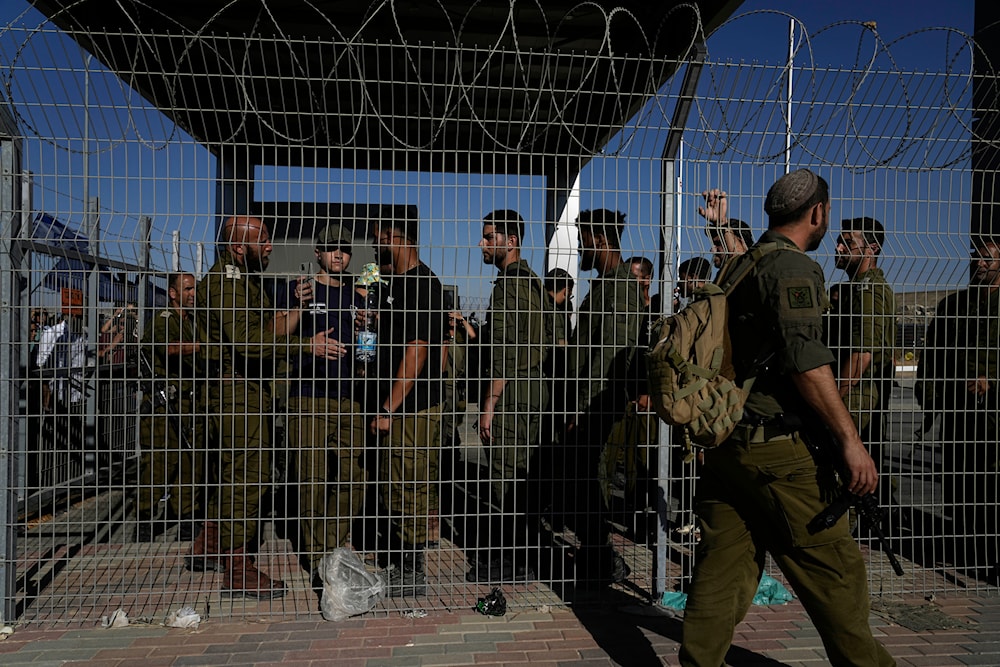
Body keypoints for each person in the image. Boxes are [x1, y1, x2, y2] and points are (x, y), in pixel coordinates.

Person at [678, 169, 895, 667]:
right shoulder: (794, 269)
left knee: (722, 572)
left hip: (728, 443)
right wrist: (850, 440)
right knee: (835, 573)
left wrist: (720, 225)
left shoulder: (742, 265)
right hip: (778, 452)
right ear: (817, 214)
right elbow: (807, 361)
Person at [187, 215, 344, 600]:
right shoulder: (227, 282)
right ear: (239, 248)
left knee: (235, 472)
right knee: (248, 477)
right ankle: (237, 569)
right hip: (235, 395)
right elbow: (249, 341)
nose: (271, 246)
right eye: (264, 240)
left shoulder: (244, 280)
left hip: (245, 393)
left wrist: (295, 307)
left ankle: (208, 546)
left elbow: (267, 327)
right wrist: (307, 346)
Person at [273, 223, 367, 590]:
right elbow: (277, 332)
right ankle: (318, 561)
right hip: (309, 397)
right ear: (317, 253)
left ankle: (331, 547)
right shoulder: (301, 290)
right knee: (311, 480)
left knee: (352, 478)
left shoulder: (358, 298)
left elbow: (365, 355)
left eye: (343, 248)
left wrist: (364, 332)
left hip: (349, 399)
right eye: (330, 248)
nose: (338, 254)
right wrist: (299, 307)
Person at [466, 209, 551, 583]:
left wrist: (489, 404)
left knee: (505, 478)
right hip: (536, 389)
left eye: (489, 237)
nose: (482, 244)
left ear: (510, 242)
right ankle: (525, 555)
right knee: (524, 478)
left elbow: (505, 348)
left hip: (514, 392)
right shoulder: (532, 282)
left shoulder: (509, 286)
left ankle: (512, 561)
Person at [368, 214, 447, 597]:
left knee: (410, 485)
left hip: (411, 407)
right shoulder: (395, 284)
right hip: (404, 405)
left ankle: (413, 572)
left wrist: (388, 407)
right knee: (397, 484)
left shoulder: (422, 284)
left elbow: (419, 349)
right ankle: (403, 560)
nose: (374, 245)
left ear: (394, 238)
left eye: (378, 238)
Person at [564, 208, 644, 585]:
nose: (581, 247)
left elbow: (610, 352)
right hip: (591, 400)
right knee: (582, 479)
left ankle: (605, 560)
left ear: (599, 239)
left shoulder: (621, 284)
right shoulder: (606, 283)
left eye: (583, 239)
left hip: (600, 402)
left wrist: (583, 406)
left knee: (591, 480)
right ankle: (596, 554)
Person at [916, 234, 1000, 581]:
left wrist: (992, 383)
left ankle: (991, 554)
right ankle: (964, 548)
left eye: (987, 259)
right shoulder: (954, 306)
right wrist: (932, 402)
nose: (978, 264)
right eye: (975, 257)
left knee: (991, 486)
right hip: (958, 413)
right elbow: (932, 358)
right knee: (958, 482)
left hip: (994, 417)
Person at [827, 217, 896, 504]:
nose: (839, 248)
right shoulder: (855, 289)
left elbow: (861, 356)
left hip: (857, 393)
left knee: (843, 471)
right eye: (840, 242)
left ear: (871, 249)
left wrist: (834, 399)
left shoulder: (870, 291)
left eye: (848, 243)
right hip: (853, 391)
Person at [134, 272, 208, 543]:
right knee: (159, 464)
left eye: (194, 289)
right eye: (187, 289)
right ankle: (144, 518)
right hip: (164, 407)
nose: (193, 293)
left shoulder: (193, 321)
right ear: (173, 293)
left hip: (190, 405)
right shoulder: (165, 319)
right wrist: (203, 347)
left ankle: (187, 519)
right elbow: (169, 348)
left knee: (191, 464)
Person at [698, 187, 753, 276]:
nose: (713, 250)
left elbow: (739, 259)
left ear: (741, 242)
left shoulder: (753, 274)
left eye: (719, 243)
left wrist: (721, 223)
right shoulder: (724, 277)